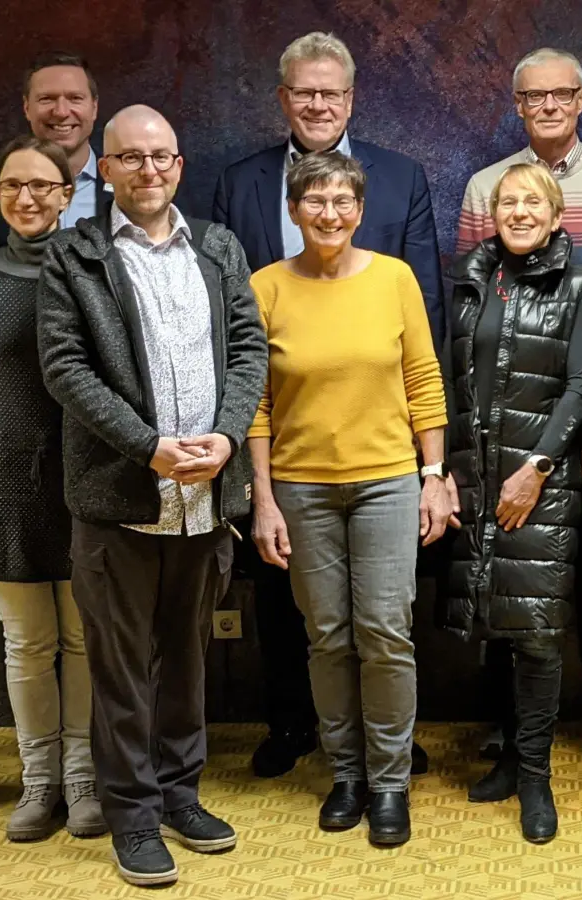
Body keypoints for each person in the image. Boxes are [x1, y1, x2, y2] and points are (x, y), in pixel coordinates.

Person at [36, 105, 267, 887]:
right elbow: (65, 369)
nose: (147, 170)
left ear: (179, 164)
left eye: (160, 156)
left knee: (189, 658)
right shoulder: (74, 256)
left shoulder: (218, 246)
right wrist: (150, 447)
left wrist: (229, 438)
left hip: (206, 499)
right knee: (122, 668)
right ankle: (132, 817)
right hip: (119, 496)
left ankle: (180, 793)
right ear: (104, 167)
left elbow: (248, 349)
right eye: (129, 157)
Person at [212, 30, 443, 780]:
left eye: (331, 92)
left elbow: (425, 328)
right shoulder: (237, 183)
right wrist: (259, 485)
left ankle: (389, 752)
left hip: (379, 446)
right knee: (305, 618)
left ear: (350, 99)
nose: (317, 103)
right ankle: (295, 727)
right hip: (291, 446)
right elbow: (229, 320)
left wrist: (435, 466)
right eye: (304, 91)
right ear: (283, 99)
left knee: (383, 621)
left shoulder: (401, 178)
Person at [248, 152, 452, 847]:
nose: (329, 213)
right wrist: (265, 502)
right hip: (302, 490)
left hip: (388, 481)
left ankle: (391, 780)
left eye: (342, 201)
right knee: (328, 637)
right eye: (314, 201)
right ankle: (347, 773)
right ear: (294, 209)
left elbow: (424, 379)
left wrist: (434, 475)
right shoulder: (266, 287)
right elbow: (256, 406)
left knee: (386, 632)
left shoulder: (394, 279)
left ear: (360, 210)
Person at [453, 47, 582, 766]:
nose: (551, 106)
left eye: (563, 93)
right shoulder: (484, 187)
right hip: (507, 411)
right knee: (503, 567)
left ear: (581, 97)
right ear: (519, 105)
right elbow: (474, 308)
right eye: (535, 97)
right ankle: (505, 721)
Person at [440, 162, 582, 843]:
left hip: (541, 482)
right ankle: (508, 757)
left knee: (536, 633)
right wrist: (446, 469)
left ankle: (536, 775)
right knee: (493, 625)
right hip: (476, 478)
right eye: (508, 201)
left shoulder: (581, 285)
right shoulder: (471, 281)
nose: (519, 211)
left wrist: (536, 468)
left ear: (556, 212)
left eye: (533, 200)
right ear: (491, 213)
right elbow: (450, 380)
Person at [0, 135, 101, 842]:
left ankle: (83, 781)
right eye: (14, 185)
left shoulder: (94, 271)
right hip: (2, 472)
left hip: (83, 474)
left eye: (44, 186)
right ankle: (39, 784)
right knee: (26, 644)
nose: (29, 198)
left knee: (83, 637)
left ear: (69, 195)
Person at [0, 52, 101, 246]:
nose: (61, 112)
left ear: (94, 107)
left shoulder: (124, 187)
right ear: (26, 108)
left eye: (75, 98)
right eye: (47, 99)